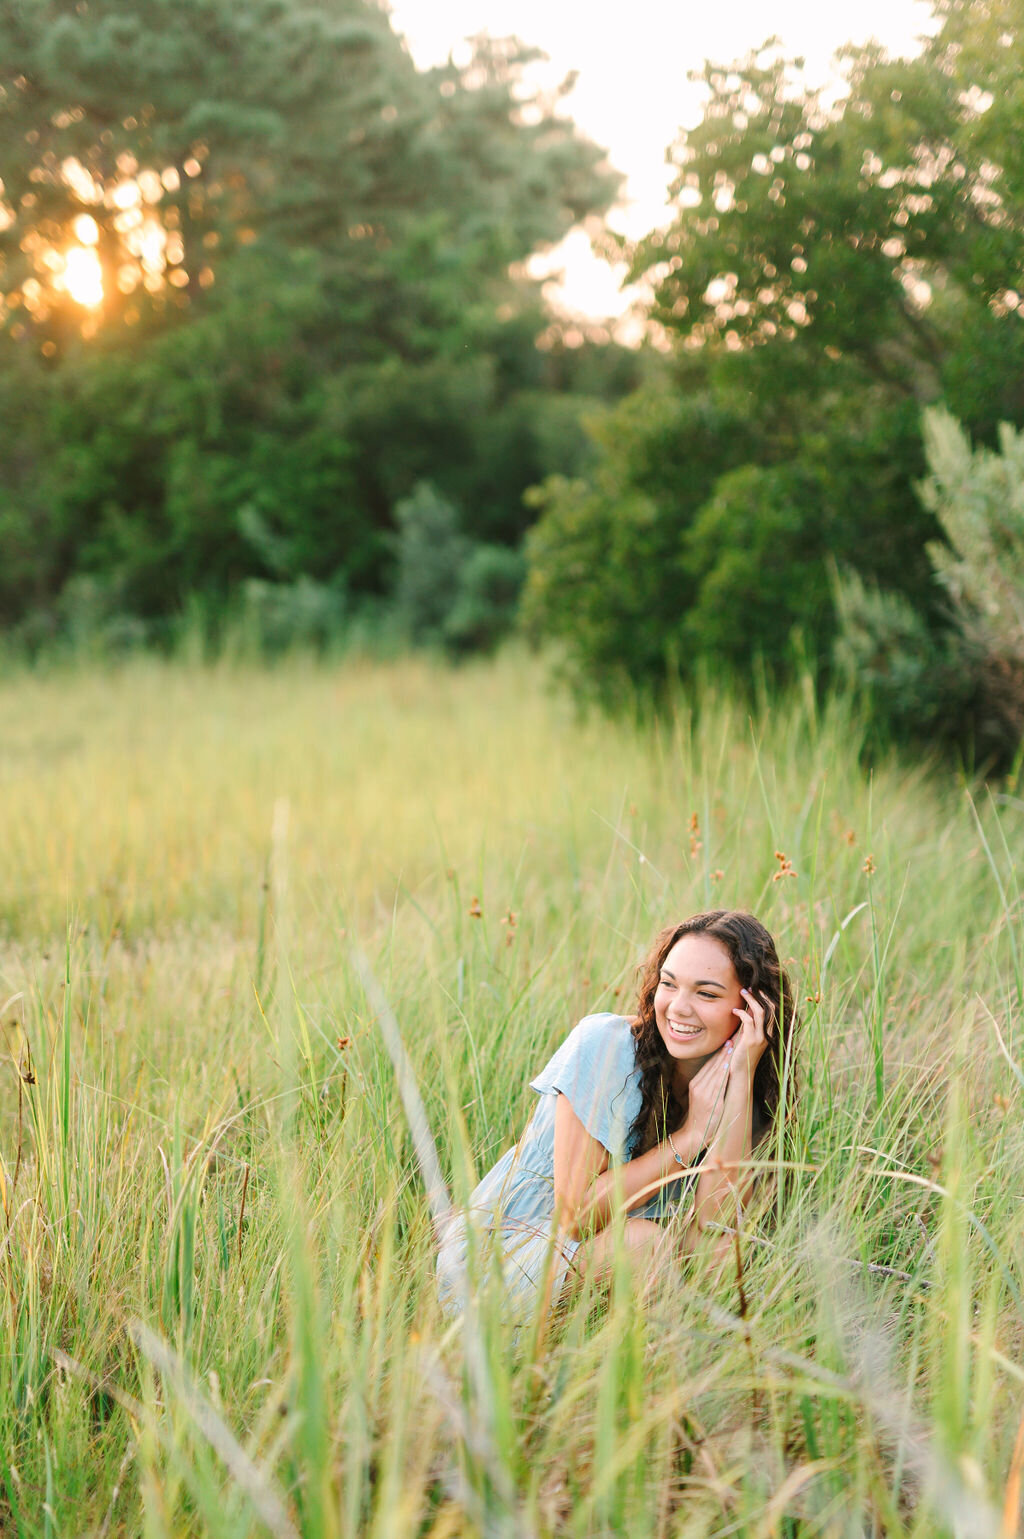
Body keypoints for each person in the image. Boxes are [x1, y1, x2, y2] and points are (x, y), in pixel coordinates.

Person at [436, 909, 795, 1319]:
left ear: (752, 1008)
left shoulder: (737, 1080)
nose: (678, 1008)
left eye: (707, 994)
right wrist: (691, 1135)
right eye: (669, 984)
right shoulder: (606, 1046)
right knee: (641, 1244)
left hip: (591, 1261)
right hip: (498, 1260)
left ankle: (635, 1343)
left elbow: (718, 1226)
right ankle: (668, 1349)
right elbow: (574, 1218)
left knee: (718, 1253)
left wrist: (743, 1074)